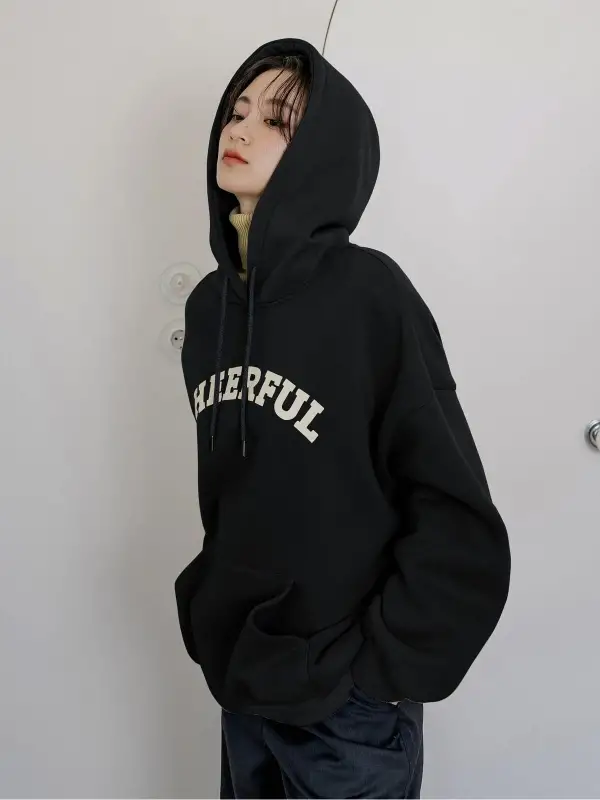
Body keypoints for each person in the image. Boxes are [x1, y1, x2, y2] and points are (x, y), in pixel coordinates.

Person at [174, 37, 511, 799]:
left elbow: (450, 501)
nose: (240, 130)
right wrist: (210, 609)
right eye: (237, 111)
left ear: (324, 150)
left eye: (277, 121)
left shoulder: (369, 295)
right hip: (245, 685)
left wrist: (382, 668)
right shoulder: (208, 309)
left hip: (346, 708)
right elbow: (236, 495)